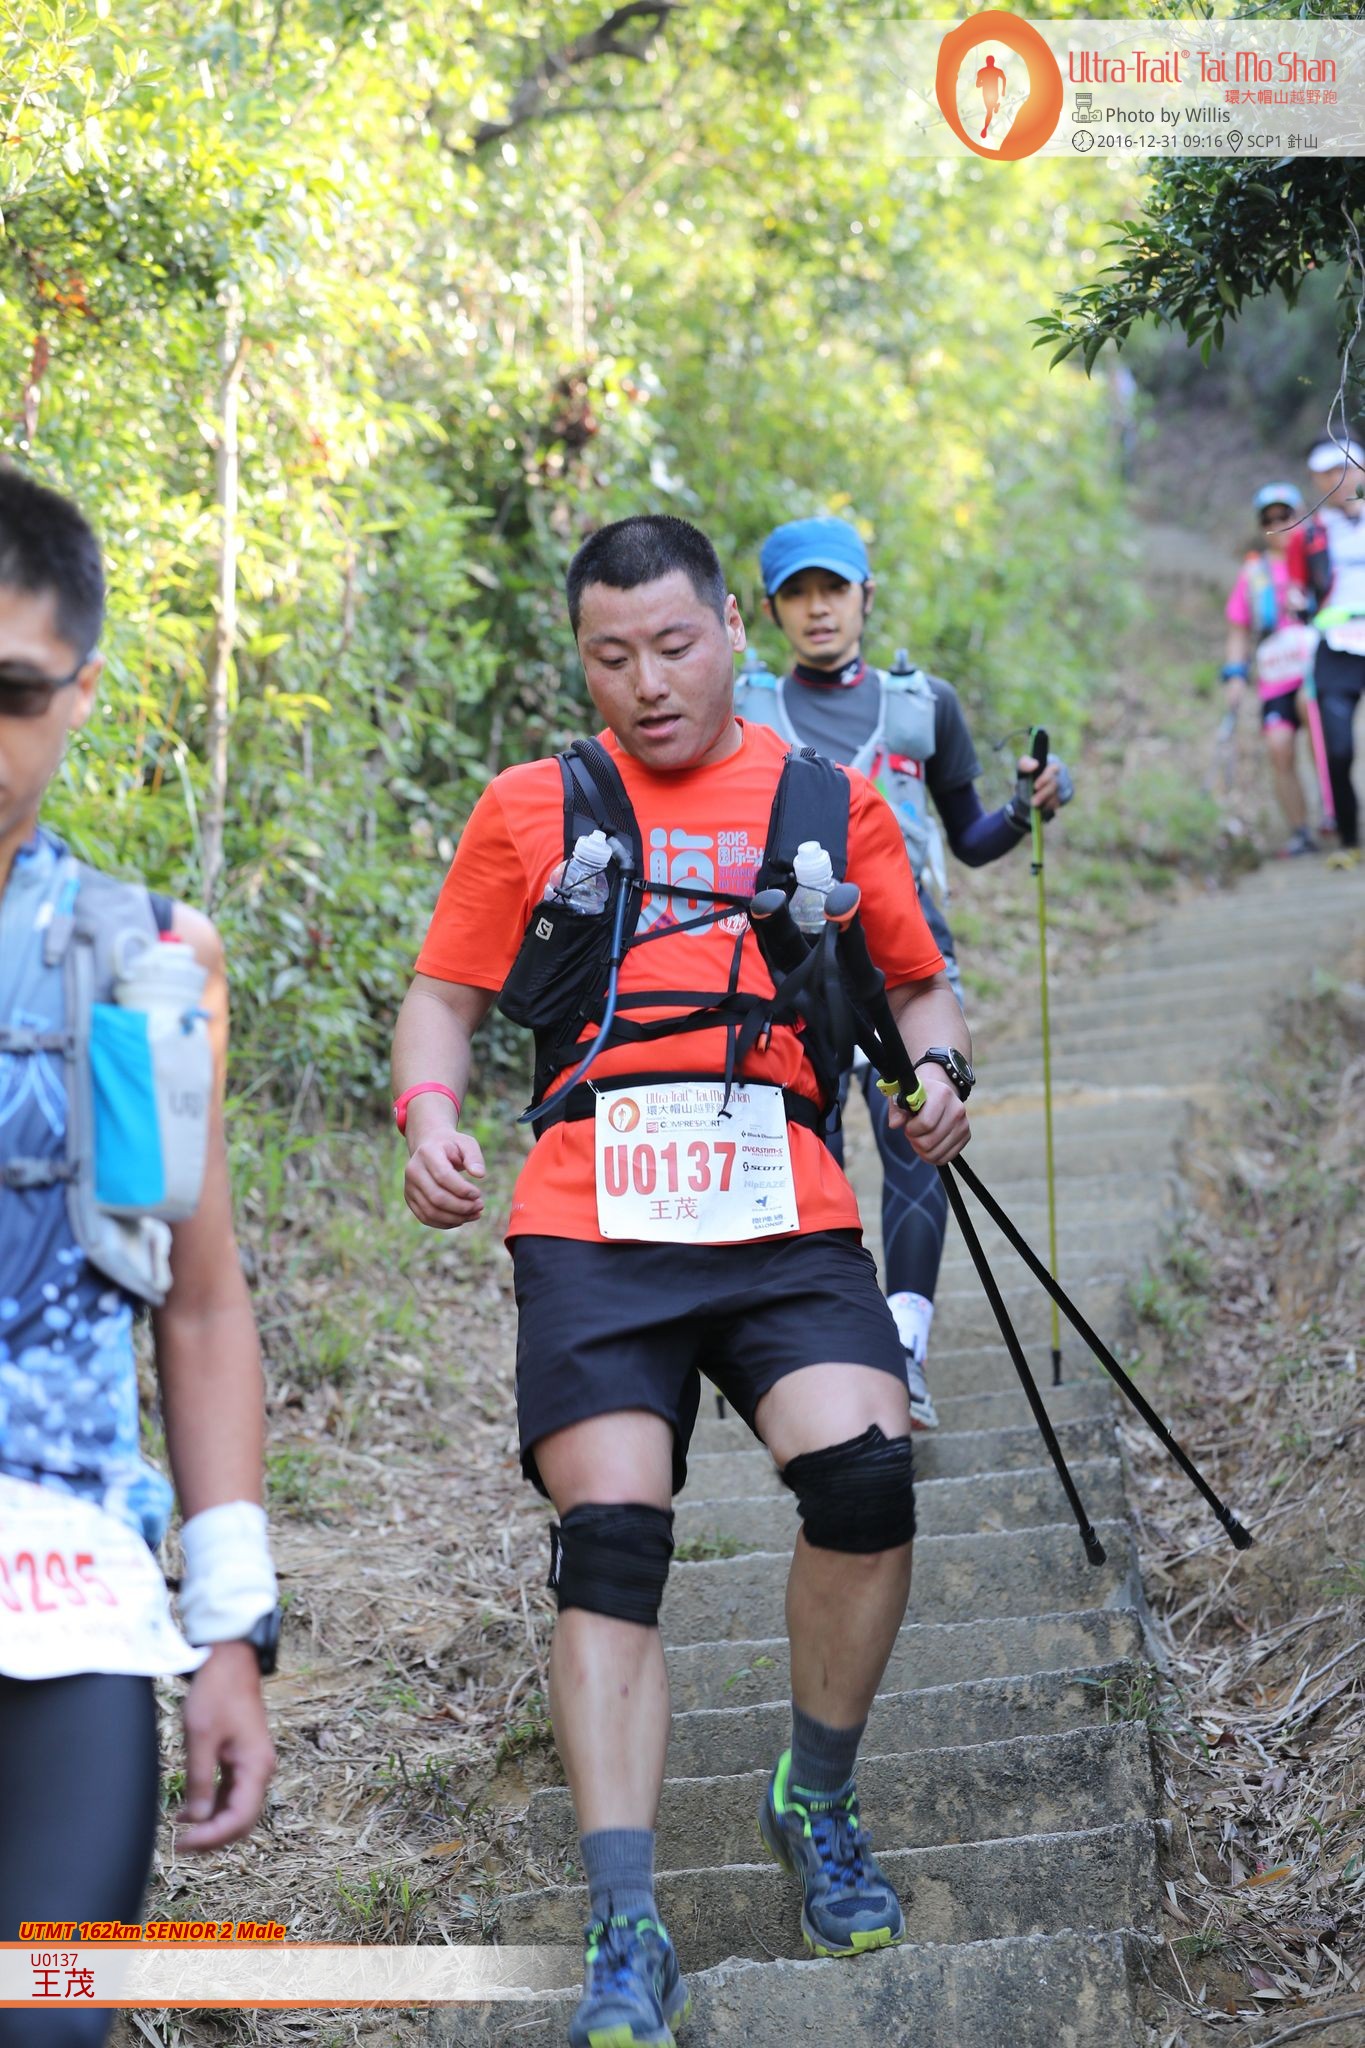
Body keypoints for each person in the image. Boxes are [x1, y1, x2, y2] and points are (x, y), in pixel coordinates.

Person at [394, 513, 972, 2048]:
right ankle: (624, 1919)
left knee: (866, 1478)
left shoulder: (824, 800)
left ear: (729, 630)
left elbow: (917, 979)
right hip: (593, 1211)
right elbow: (444, 995)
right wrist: (431, 1117)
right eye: (610, 656)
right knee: (612, 1538)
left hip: (778, 1197)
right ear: (580, 659)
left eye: (670, 645)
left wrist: (938, 1076)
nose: (645, 682)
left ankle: (815, 1795)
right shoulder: (530, 807)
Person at [0, 469, 278, 2044]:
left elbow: (199, 1297)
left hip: (59, 1596)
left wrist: (228, 1624)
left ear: (81, 690)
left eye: (13, 694)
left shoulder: (139, 966)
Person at [736, 515, 1071, 1429]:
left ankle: (907, 1350)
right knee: (807, 1148)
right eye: (797, 594)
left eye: (833, 590)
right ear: (769, 610)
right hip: (790, 967)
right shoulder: (743, 711)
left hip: (907, 955)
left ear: (865, 597)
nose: (817, 610)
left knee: (914, 1130)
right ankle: (825, 1357)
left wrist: (1027, 805)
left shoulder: (924, 706)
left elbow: (969, 839)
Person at [1220, 483, 1320, 857]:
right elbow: (1238, 629)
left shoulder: (1318, 559)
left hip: (1315, 670)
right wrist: (1234, 675)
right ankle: (1300, 830)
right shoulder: (1254, 573)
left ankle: (1334, 808)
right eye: (1270, 519)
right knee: (1279, 747)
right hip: (1275, 674)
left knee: (1317, 721)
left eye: (1286, 516)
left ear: (1301, 515)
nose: (1279, 525)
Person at [1289, 436, 1365, 865]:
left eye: (1346, 468)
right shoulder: (1309, 535)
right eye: (1328, 473)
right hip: (1335, 646)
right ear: (1316, 480)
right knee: (1337, 749)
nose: (1339, 479)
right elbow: (1298, 589)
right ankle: (1349, 838)